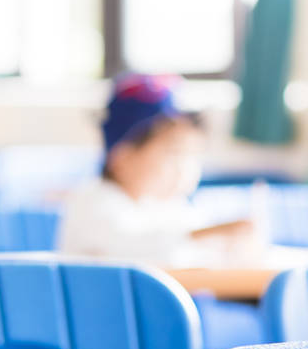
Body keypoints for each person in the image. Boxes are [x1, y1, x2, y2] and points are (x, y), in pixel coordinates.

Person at [57, 73, 264, 266]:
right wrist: (208, 234)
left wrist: (232, 243)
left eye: (193, 155)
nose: (185, 167)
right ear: (122, 157)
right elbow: (132, 248)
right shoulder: (94, 201)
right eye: (174, 153)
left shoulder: (169, 208)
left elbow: (203, 254)